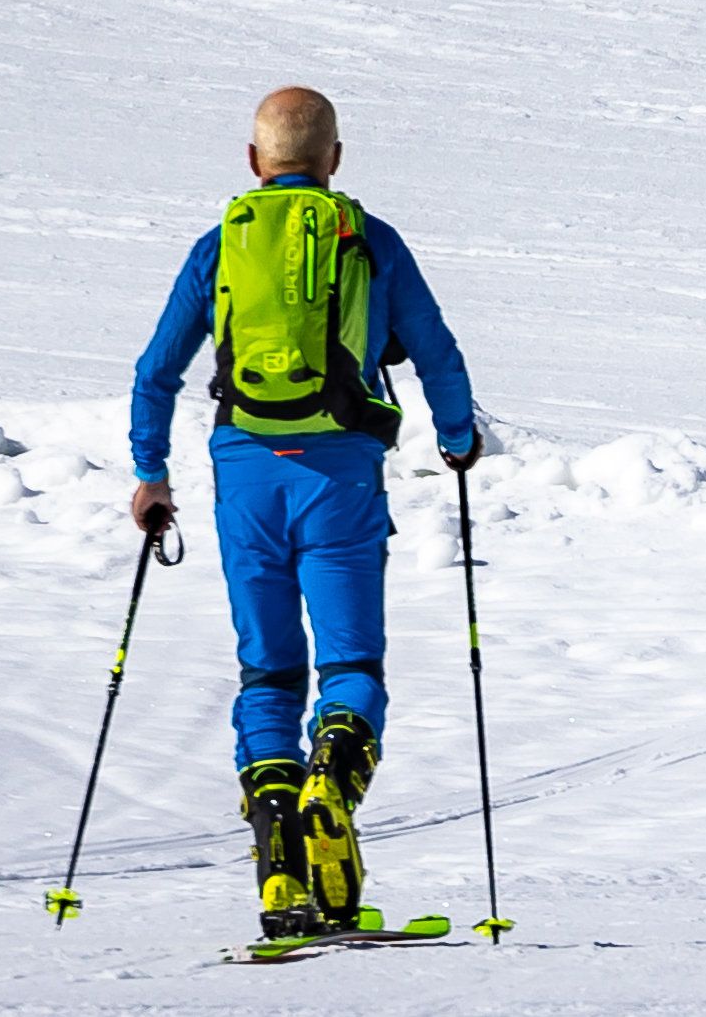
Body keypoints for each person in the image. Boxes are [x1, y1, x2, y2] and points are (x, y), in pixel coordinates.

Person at [129, 87, 482, 937]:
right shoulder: (371, 242)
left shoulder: (223, 244)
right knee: (351, 663)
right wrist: (459, 438)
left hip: (246, 478)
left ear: (255, 161)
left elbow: (156, 369)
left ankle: (282, 869)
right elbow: (436, 351)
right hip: (342, 478)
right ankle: (333, 786)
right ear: (335, 158)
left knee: (269, 672)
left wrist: (151, 474)